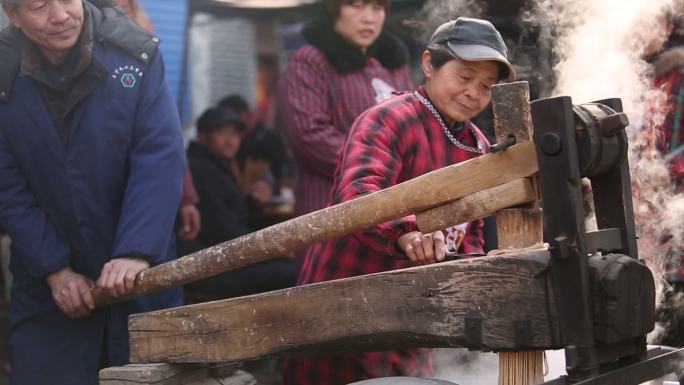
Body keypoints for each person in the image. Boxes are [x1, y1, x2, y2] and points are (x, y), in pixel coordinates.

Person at [283, 17, 516, 385]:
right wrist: (408, 234)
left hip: (415, 317)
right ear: (428, 64)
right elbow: (359, 192)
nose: (474, 92)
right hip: (345, 303)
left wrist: (470, 277)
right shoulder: (388, 119)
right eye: (464, 77)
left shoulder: (480, 147)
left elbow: (469, 230)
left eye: (487, 86)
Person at [0, 0, 186, 384]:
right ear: (12, 15)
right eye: (38, 7)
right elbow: (7, 184)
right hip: (48, 291)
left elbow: (160, 155)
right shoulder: (4, 75)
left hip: (142, 277)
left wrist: (135, 250)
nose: (60, 15)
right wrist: (56, 271)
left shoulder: (134, 53)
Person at [278, 0, 413, 219]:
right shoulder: (310, 61)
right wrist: (381, 163)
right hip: (329, 208)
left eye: (377, 8)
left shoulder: (394, 64)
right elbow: (309, 136)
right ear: (335, 9)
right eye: (357, 5)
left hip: (392, 207)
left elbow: (412, 126)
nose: (368, 17)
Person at [183, 107, 297, 300]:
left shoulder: (217, 165)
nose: (231, 141)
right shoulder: (200, 170)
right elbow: (222, 232)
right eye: (222, 134)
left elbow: (229, 215)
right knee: (296, 271)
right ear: (202, 136)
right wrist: (274, 249)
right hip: (217, 269)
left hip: (228, 259)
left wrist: (252, 202)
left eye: (235, 134)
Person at [113, 0, 202, 245]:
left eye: (125, 7)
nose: (118, 13)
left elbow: (166, 136)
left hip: (146, 188)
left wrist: (186, 197)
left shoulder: (145, 58)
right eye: (110, 6)